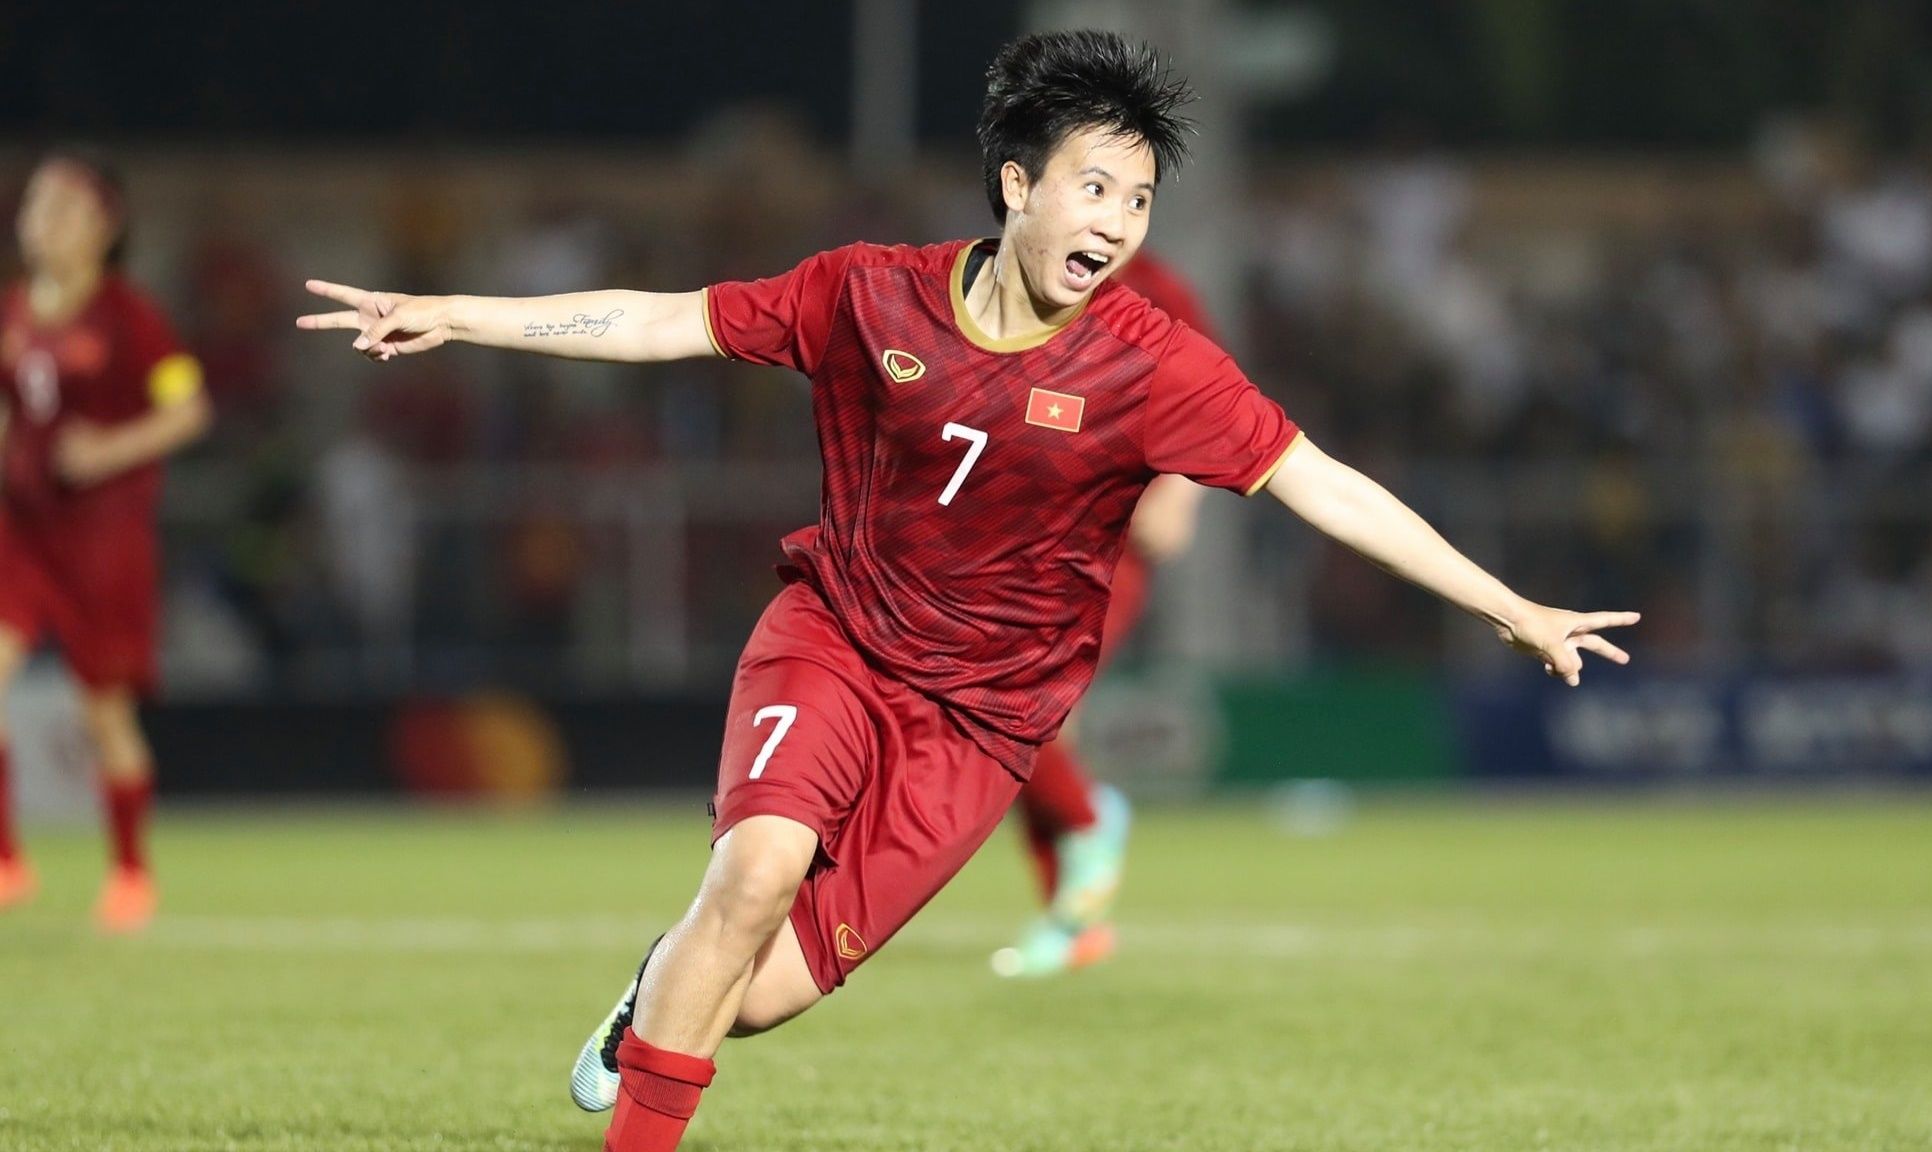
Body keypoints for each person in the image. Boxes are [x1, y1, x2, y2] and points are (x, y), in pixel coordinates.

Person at [298, 30, 1636, 1151]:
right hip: (834, 639)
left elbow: (1320, 483)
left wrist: (1508, 606)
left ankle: (662, 984)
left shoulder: (1152, 364)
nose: (1115, 224)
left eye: (1139, 203)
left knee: (751, 996)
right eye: (1095, 189)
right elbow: (666, 318)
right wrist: (460, 313)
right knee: (755, 871)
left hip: (984, 723)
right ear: (1016, 185)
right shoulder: (867, 296)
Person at [0, 152, 213, 931]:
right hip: (22, 532)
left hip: (101, 542)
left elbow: (187, 409)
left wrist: (108, 450)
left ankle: (130, 871)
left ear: (104, 227)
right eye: (37, 205)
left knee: (104, 714)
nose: (44, 222)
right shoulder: (16, 310)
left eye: (65, 208)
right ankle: (7, 861)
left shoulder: (130, 317)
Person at [991, 250, 1213, 980]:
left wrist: (1180, 488)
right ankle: (1074, 921)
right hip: (1020, 533)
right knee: (1023, 727)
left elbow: (1209, 394)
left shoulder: (1156, 287)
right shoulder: (1005, 275)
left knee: (1024, 710)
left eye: (1132, 199)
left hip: (1109, 540)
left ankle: (1088, 825)